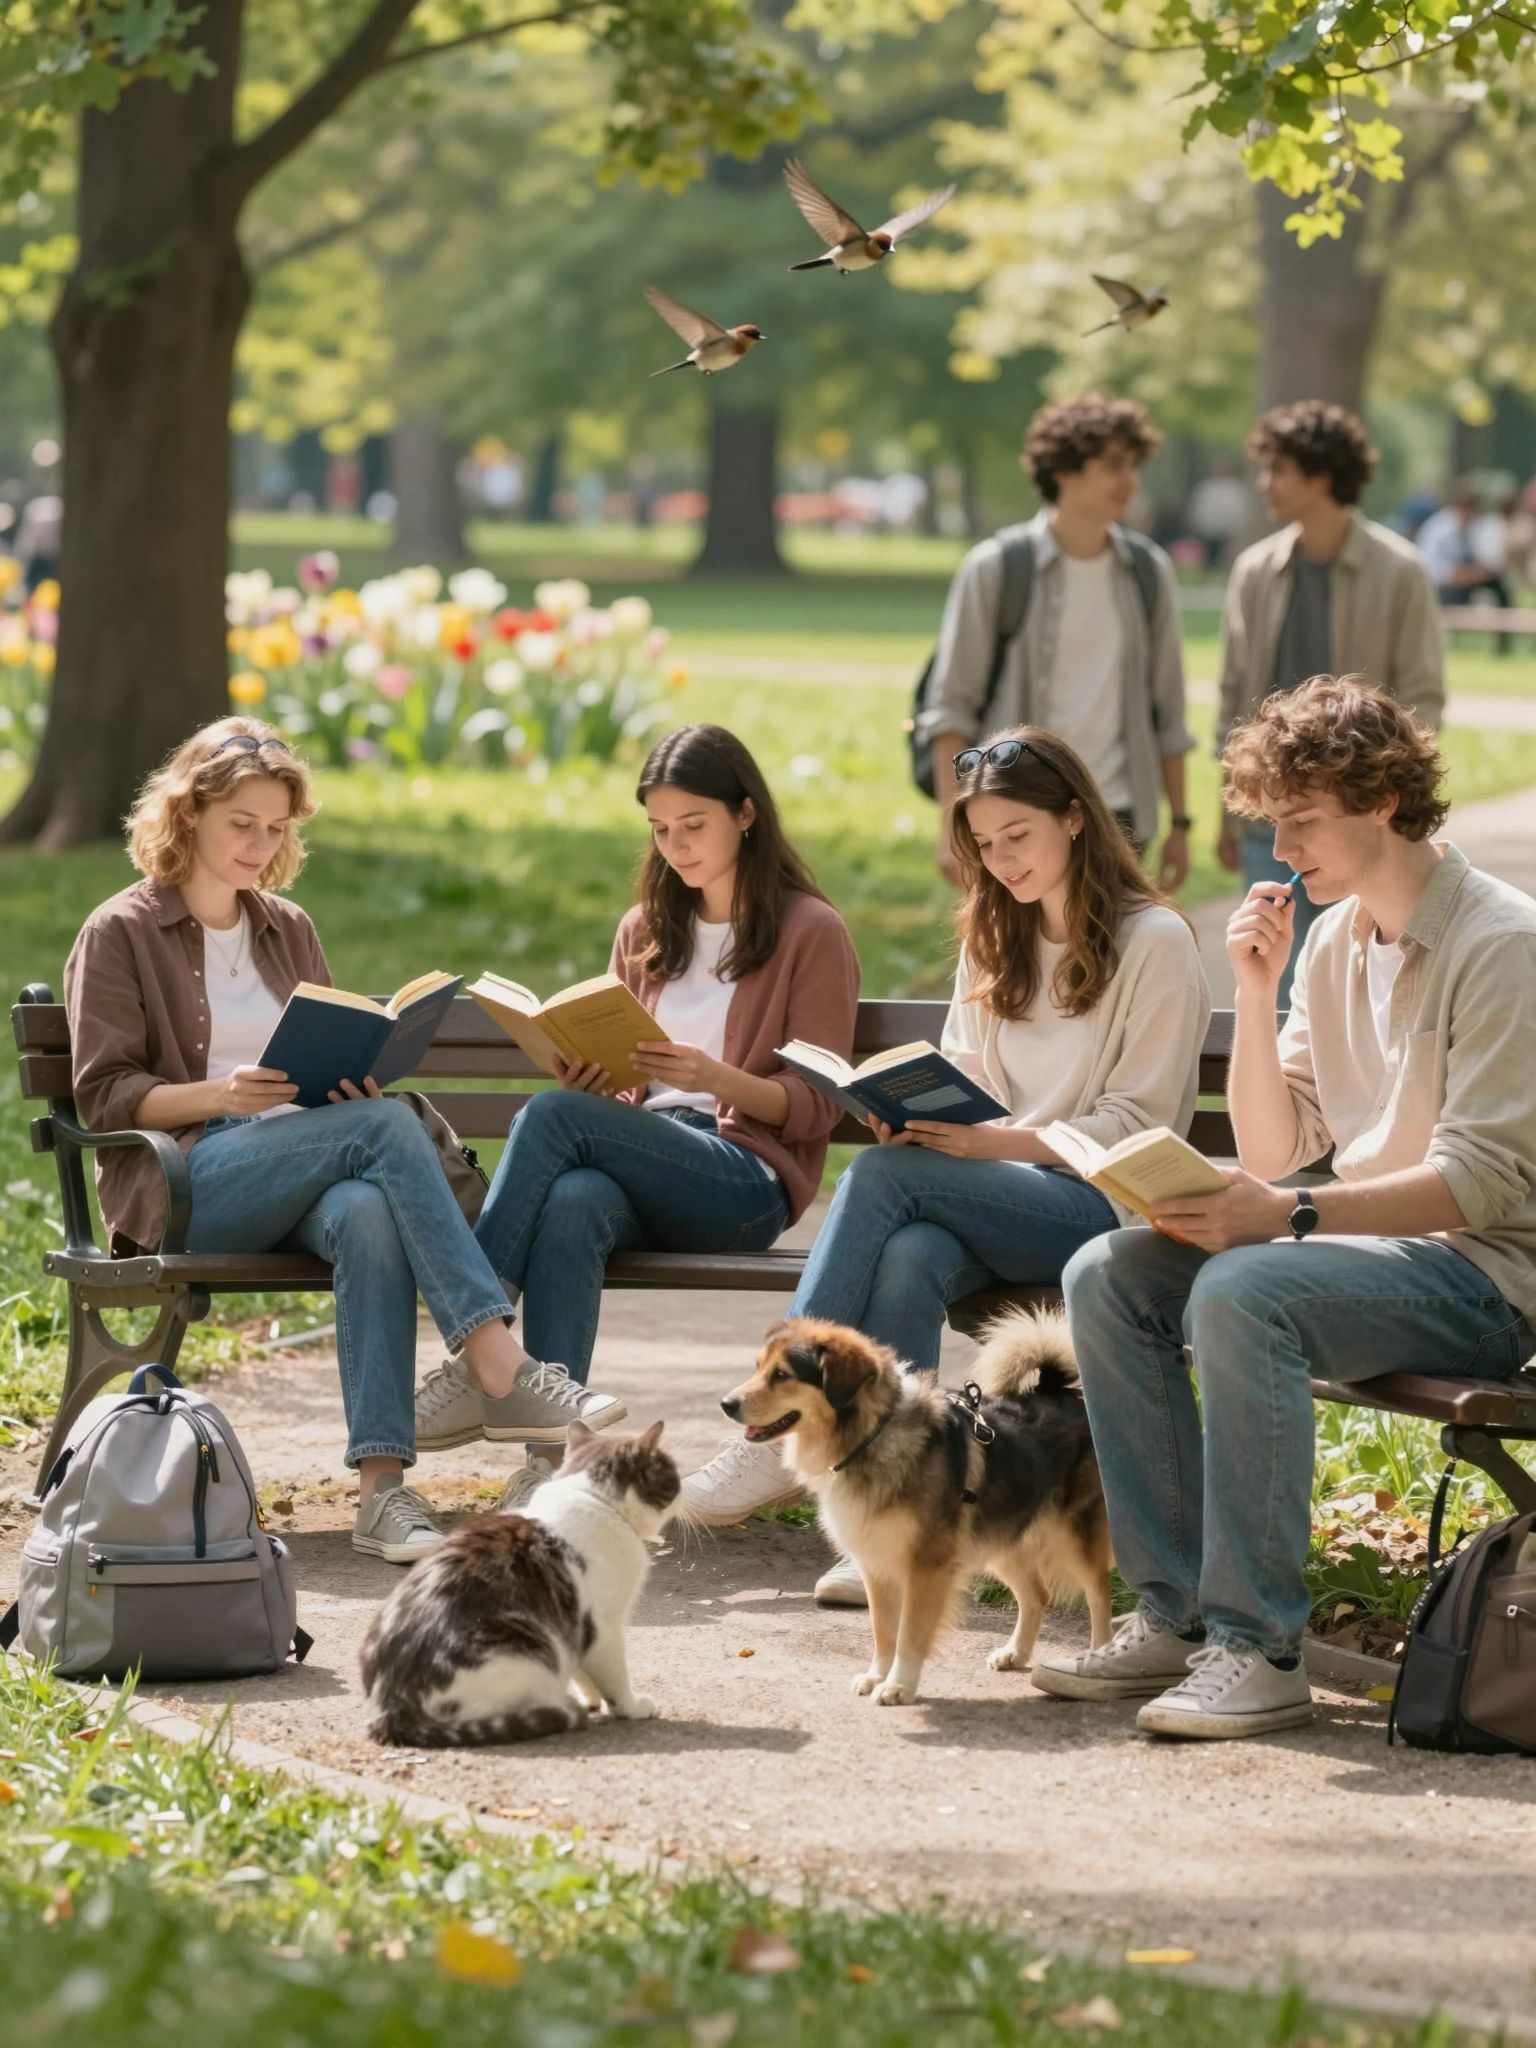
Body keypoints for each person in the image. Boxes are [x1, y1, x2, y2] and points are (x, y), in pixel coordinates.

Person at [1041, 677, 1536, 1740]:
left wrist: (1288, 1218)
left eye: (1301, 820)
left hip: (1483, 1282)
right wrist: (1255, 991)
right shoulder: (1335, 939)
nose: (1280, 847)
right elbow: (1277, 1150)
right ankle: (1175, 1614)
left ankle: (1257, 1647)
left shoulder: (1501, 942)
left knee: (1245, 1287)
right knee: (1108, 1273)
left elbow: (1484, 1182)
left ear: (1385, 801)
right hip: (1367, 1256)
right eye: (1273, 820)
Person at [62, 718, 613, 1564]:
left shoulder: (288, 927)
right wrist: (220, 1095)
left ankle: (381, 1494)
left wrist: (347, 1086)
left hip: (306, 1168)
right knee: (384, 1128)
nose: (259, 846)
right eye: (241, 824)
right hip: (190, 1181)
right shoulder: (120, 930)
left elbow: (324, 1055)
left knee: (366, 1210)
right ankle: (496, 1360)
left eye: (275, 828)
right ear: (189, 812)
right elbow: (103, 1100)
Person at [688, 727, 1211, 1603]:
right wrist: (917, 1115)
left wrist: (989, 1144)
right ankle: (895, 1512)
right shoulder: (994, 931)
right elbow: (968, 1076)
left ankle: (778, 1406)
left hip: (1100, 1209)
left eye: (1019, 836)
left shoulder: (1153, 940)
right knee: (911, 1251)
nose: (1001, 861)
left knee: (882, 1181)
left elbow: (1136, 1122)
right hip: (994, 1194)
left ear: (1075, 819)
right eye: (984, 843)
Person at [414, 723, 861, 1515]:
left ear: (746, 814)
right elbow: (628, 1098)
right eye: (660, 829)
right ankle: (555, 1465)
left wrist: (714, 1077)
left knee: (553, 1118)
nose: (676, 847)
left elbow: (820, 1103)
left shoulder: (809, 931)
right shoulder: (646, 928)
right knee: (574, 1197)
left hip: (742, 1178)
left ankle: (477, 1346)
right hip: (645, 1167)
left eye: (694, 825)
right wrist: (595, 1082)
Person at [915, 395, 1195, 892]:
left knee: (1112, 944)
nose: (1129, 480)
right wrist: (949, 830)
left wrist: (1179, 824)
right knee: (1021, 946)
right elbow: (951, 709)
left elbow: (1168, 709)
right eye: (1113, 465)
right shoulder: (997, 567)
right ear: (1064, 471)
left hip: (1119, 815)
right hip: (1013, 816)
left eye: (1133, 465)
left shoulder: (1148, 571)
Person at [1216, 402, 1445, 1003]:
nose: (1264, 484)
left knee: (1368, 975)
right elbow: (1234, 694)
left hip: (1360, 814)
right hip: (1273, 815)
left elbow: (1423, 696)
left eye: (1277, 469)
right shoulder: (1255, 571)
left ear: (1320, 476)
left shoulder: (1398, 570)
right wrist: (1226, 809)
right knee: (1278, 973)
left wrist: (1391, 800)